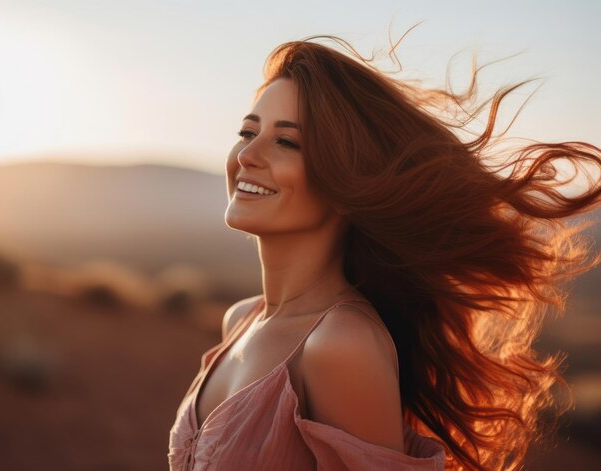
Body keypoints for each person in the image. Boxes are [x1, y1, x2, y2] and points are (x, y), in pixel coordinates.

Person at [168, 31, 601, 470]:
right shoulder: (240, 320)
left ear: (344, 183)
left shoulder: (340, 344)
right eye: (247, 131)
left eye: (287, 142)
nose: (247, 154)